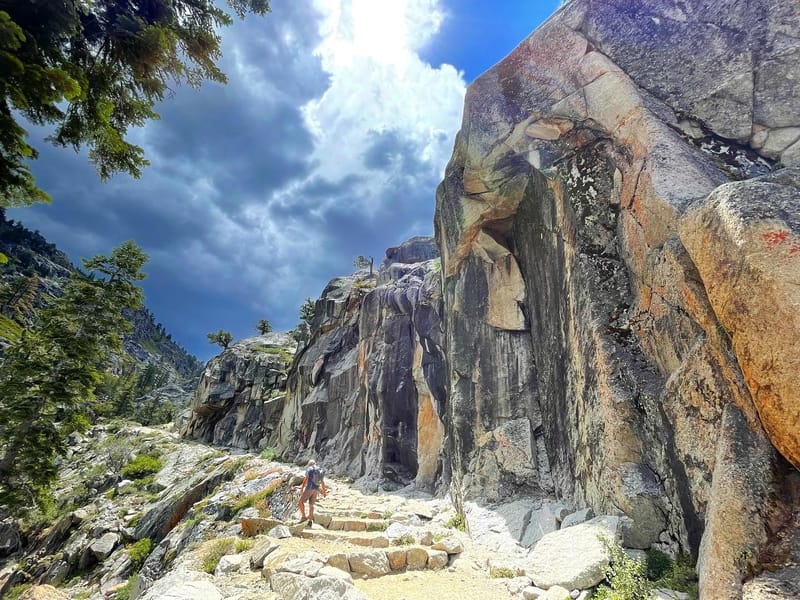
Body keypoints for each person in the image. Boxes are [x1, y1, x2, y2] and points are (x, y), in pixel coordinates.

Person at [298, 459, 327, 525]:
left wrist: (302, 488)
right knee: (311, 505)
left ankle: (303, 516)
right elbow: (322, 482)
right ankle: (310, 521)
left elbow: (306, 479)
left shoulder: (310, 469)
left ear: (309, 464)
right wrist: (324, 491)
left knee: (300, 502)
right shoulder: (320, 470)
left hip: (309, 488)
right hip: (316, 489)